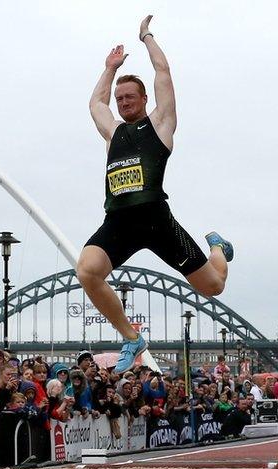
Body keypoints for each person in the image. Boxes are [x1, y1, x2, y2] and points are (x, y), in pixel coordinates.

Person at [76, 15, 232, 374]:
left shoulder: (160, 125)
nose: (123, 102)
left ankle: (219, 248)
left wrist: (146, 37)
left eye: (130, 96)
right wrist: (110, 69)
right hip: (118, 222)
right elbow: (95, 103)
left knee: (214, 285)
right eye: (120, 98)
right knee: (87, 271)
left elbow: (163, 72)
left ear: (144, 98)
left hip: (156, 221)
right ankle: (132, 338)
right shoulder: (113, 133)